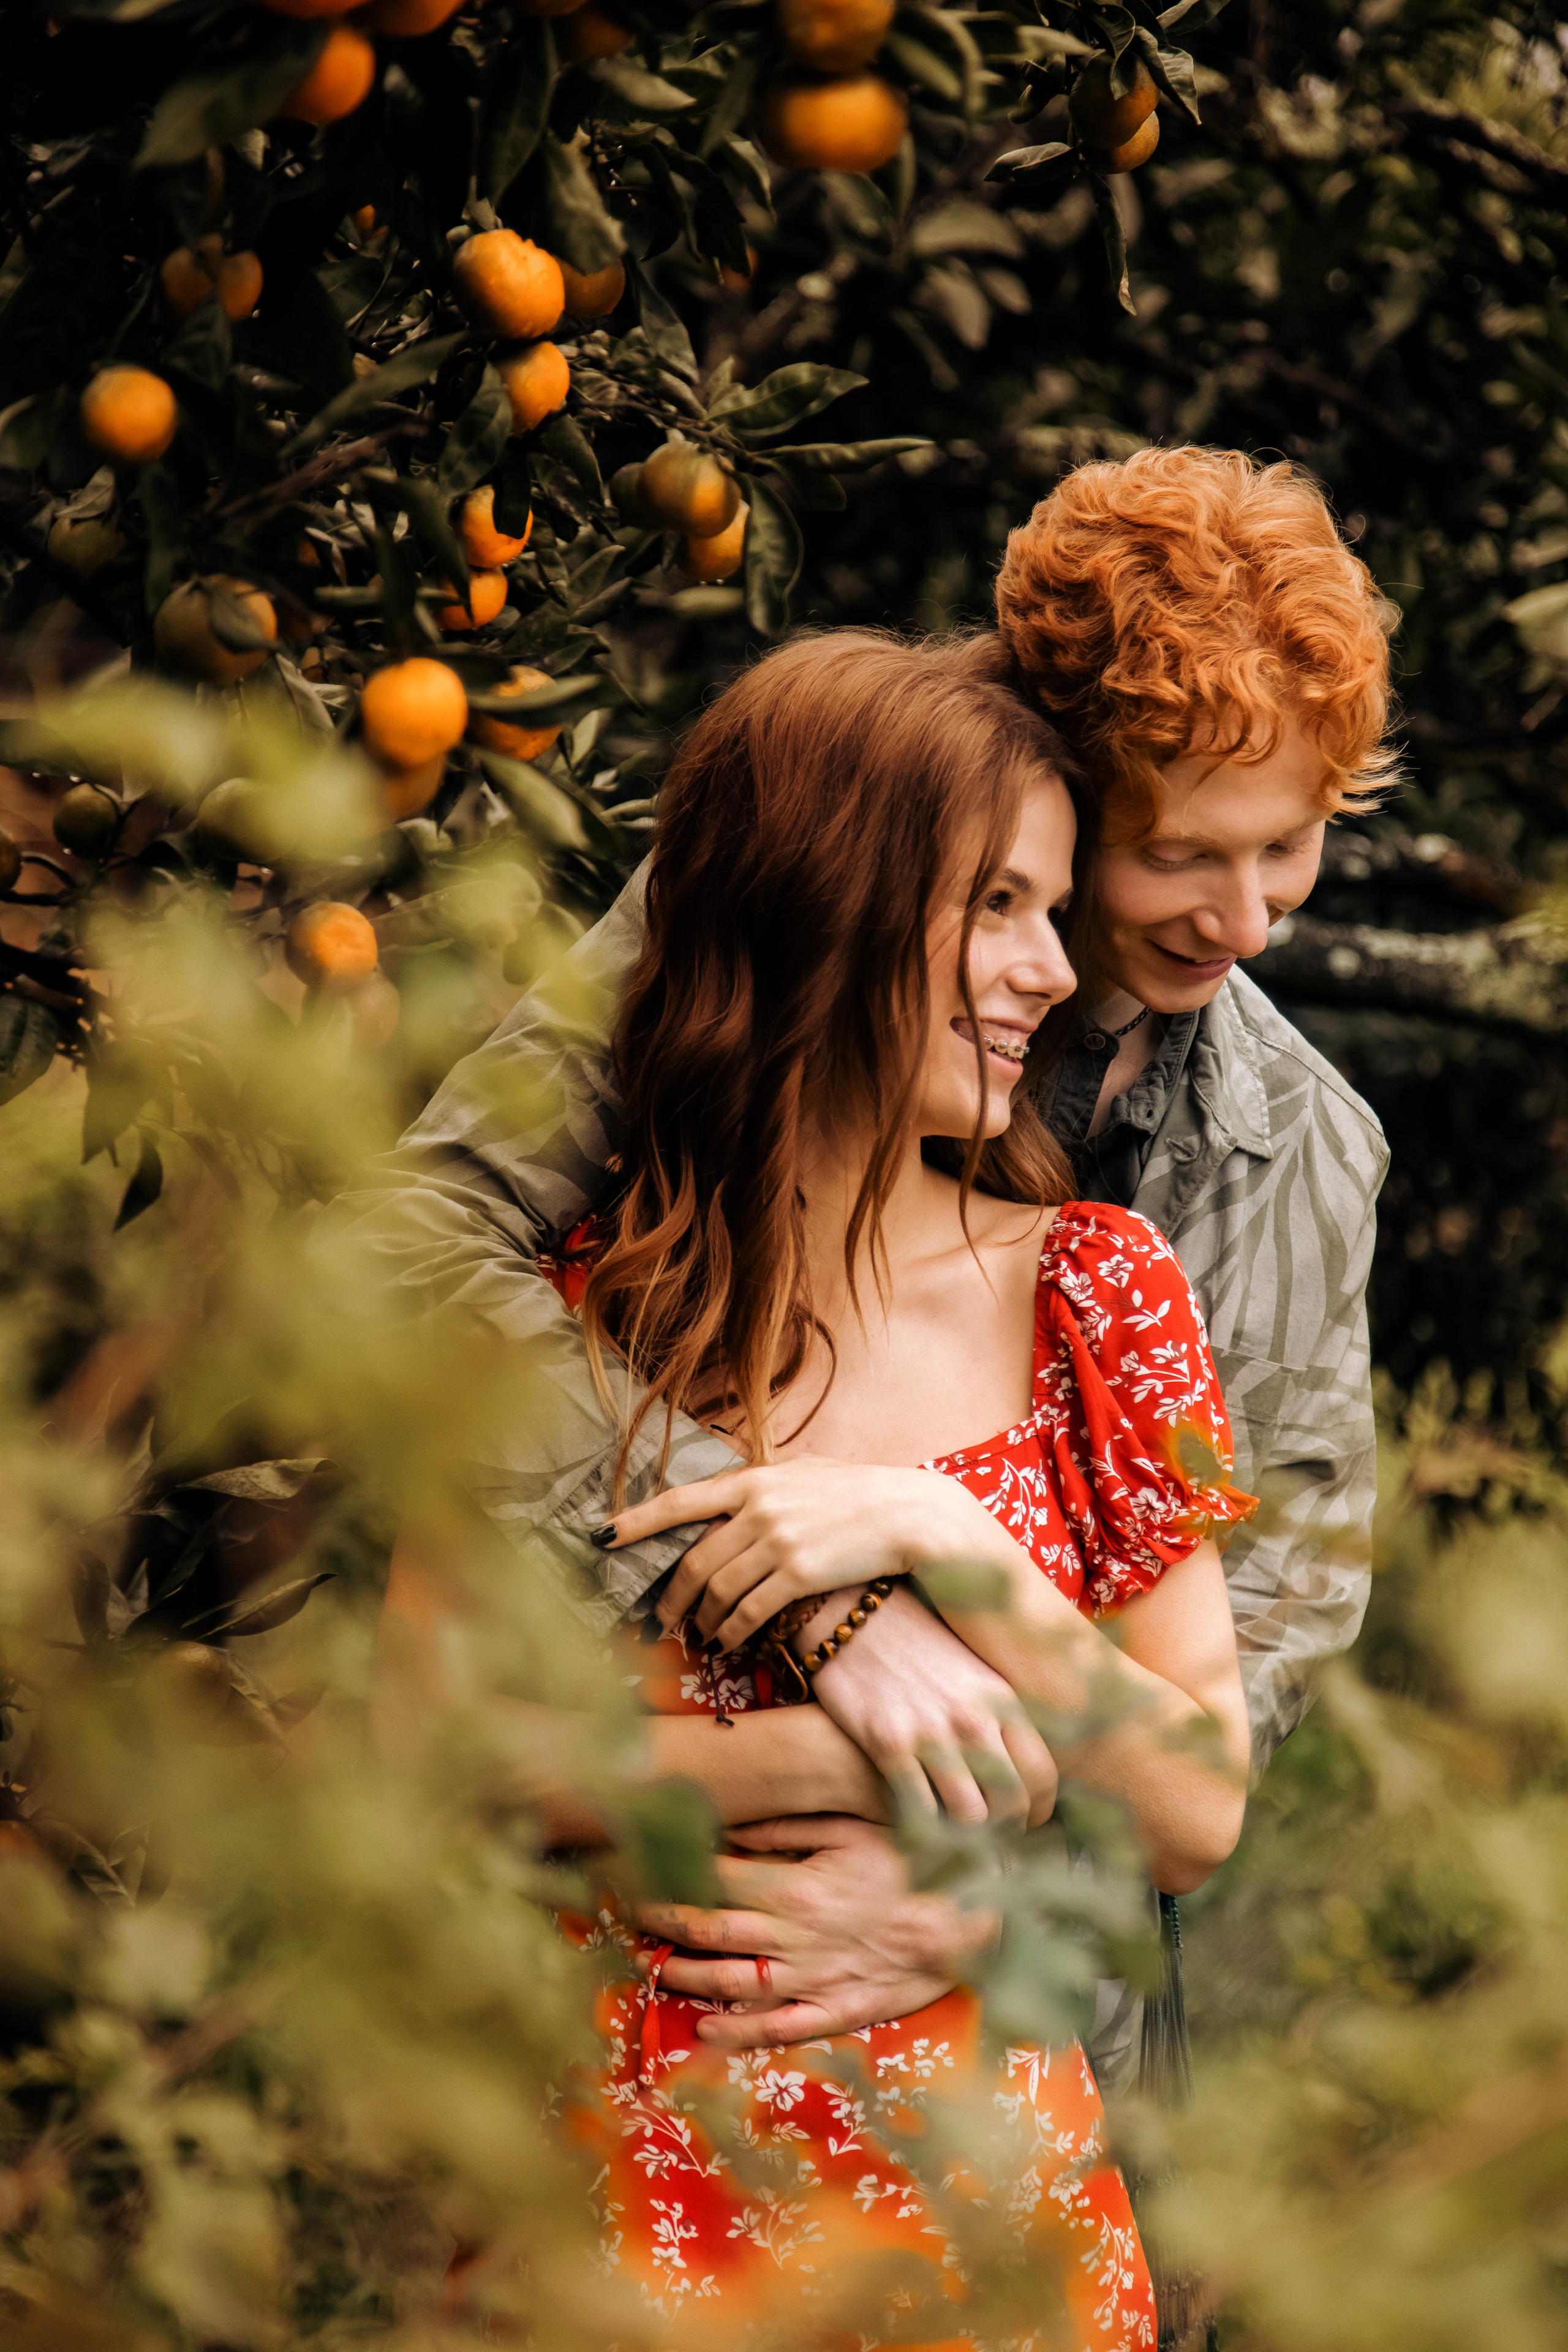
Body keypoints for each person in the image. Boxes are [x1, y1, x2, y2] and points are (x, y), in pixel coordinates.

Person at [328, 444, 1393, 2082]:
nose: (1246, 921)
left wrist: (981, 1899)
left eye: (1291, 849)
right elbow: (416, 1246)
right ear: (1055, 780)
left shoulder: (1292, 1151)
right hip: (628, 1994)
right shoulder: (782, 911)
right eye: (1180, 856)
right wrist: (807, 1600)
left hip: (1032, 2029)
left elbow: (1257, 1650)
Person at [381, 628, 1254, 2346]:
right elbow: (429, 1768)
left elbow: (1196, 1803)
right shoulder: (568, 1327)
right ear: (822, 902)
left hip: (996, 2248)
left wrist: (959, 1554)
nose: (1051, 975)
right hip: (625, 2227)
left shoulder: (1100, 1295)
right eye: (993, 906)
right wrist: (860, 1749)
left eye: (1055, 913)